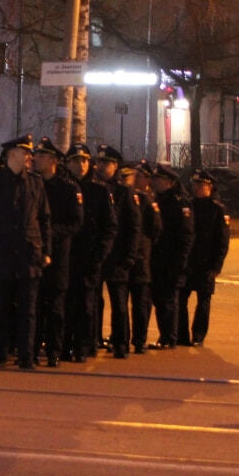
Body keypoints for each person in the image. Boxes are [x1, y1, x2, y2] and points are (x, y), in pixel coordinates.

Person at [0, 135, 50, 368]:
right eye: (24, 152)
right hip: (1, 252)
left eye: (29, 153)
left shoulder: (36, 182)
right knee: (0, 306)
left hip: (29, 253)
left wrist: (46, 250)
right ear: (11, 154)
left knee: (28, 309)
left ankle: (26, 355)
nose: (29, 156)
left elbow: (44, 219)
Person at [33, 137, 82, 367]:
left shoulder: (68, 188)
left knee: (55, 306)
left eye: (42, 156)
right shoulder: (32, 183)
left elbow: (75, 222)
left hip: (59, 254)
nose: (36, 159)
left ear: (53, 160)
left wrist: (50, 232)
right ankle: (31, 349)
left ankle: (54, 350)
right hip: (34, 252)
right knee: (33, 304)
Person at [65, 142, 116, 361]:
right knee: (65, 304)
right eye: (76, 161)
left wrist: (100, 255)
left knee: (87, 305)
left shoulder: (99, 190)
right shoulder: (62, 187)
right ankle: (65, 345)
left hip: (90, 257)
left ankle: (84, 346)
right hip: (66, 257)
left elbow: (109, 226)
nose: (81, 165)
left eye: (85, 160)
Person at [96, 145, 139, 358]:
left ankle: (121, 342)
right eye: (101, 162)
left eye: (108, 163)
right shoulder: (93, 187)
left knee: (119, 303)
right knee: (93, 301)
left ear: (116, 166)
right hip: (96, 256)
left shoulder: (124, 192)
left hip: (117, 257)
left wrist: (129, 256)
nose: (103, 167)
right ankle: (93, 339)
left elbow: (133, 227)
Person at [179, 170, 230, 347]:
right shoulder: (189, 205)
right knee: (181, 298)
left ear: (209, 186)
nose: (196, 188)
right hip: (188, 262)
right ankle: (182, 335)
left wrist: (217, 265)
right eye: (194, 184)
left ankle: (198, 336)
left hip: (206, 263)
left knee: (203, 301)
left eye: (199, 184)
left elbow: (222, 241)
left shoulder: (217, 209)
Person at [148, 165, 194, 349]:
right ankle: (166, 336)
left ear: (169, 182)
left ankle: (169, 337)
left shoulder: (179, 202)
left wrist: (180, 262)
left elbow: (186, 236)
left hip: (172, 259)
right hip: (158, 258)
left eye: (158, 179)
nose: (154, 182)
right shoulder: (159, 199)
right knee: (160, 299)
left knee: (168, 300)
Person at [128, 162, 163, 353]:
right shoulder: (129, 196)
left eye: (139, 175)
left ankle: (139, 339)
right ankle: (124, 338)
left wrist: (146, 246)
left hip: (142, 255)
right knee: (124, 301)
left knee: (141, 300)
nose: (136, 178)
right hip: (130, 255)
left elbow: (155, 228)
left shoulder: (150, 199)